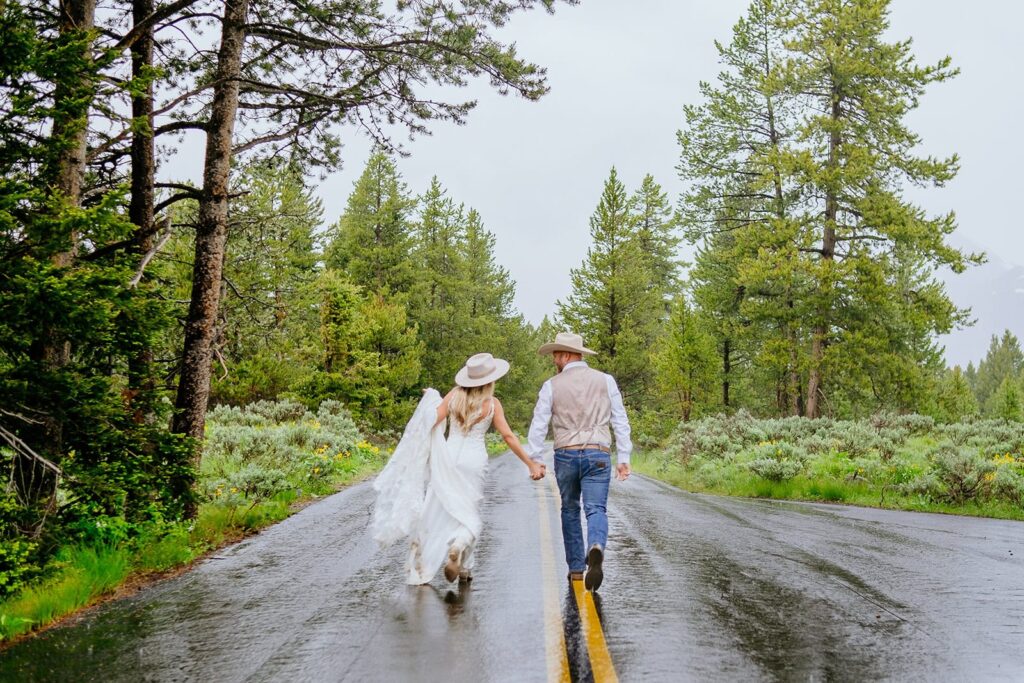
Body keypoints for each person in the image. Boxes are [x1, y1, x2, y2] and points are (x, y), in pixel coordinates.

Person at [372, 352, 544, 585]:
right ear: (490, 380)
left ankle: (436, 561)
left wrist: (431, 401)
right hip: (474, 461)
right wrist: (530, 462)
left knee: (436, 507)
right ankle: (459, 548)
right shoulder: (492, 404)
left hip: (447, 457)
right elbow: (508, 436)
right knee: (468, 512)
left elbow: (431, 421)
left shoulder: (454, 396)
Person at [527, 332, 632, 592]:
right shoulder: (605, 381)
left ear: (566, 354)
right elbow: (620, 419)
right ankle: (596, 545)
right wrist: (624, 457)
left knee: (570, 509)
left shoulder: (551, 385)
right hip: (598, 452)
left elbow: (539, 423)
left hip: (566, 454)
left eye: (556, 355)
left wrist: (536, 459)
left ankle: (576, 569)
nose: (554, 360)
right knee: (596, 508)